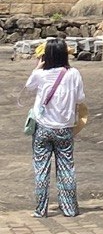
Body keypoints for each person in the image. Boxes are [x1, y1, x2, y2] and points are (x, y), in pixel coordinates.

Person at [22, 37, 86, 219]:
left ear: (46, 56)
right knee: (66, 168)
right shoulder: (74, 73)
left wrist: (37, 66)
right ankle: (69, 209)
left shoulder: (41, 75)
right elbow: (80, 98)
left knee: (41, 169)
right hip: (64, 128)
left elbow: (28, 86)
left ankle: (40, 210)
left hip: (42, 127)